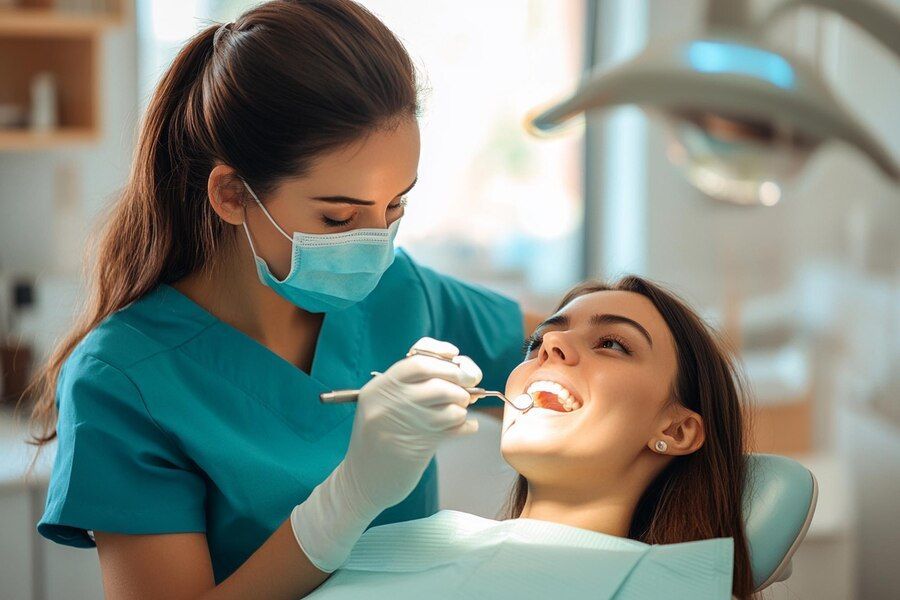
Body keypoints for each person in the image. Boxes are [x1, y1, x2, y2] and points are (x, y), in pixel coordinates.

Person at [27, 1, 536, 598]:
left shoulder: (400, 291)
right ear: (231, 194)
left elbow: (562, 357)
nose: (375, 243)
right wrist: (348, 501)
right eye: (338, 215)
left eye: (396, 206)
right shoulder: (123, 381)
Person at [303, 276, 754, 599]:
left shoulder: (665, 587)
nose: (548, 348)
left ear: (675, 430)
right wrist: (348, 494)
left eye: (612, 344)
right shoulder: (409, 542)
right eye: (538, 342)